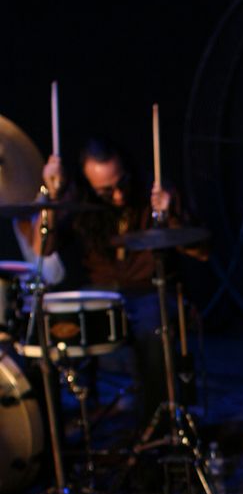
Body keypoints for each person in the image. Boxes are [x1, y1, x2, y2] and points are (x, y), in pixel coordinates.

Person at [34, 137, 205, 425]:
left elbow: (202, 250)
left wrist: (171, 215)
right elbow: (44, 248)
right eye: (105, 191)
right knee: (50, 327)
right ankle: (69, 425)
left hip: (149, 290)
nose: (117, 195)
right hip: (101, 293)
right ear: (89, 186)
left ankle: (157, 424)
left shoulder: (155, 190)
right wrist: (49, 198)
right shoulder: (78, 199)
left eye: (121, 183)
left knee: (153, 328)